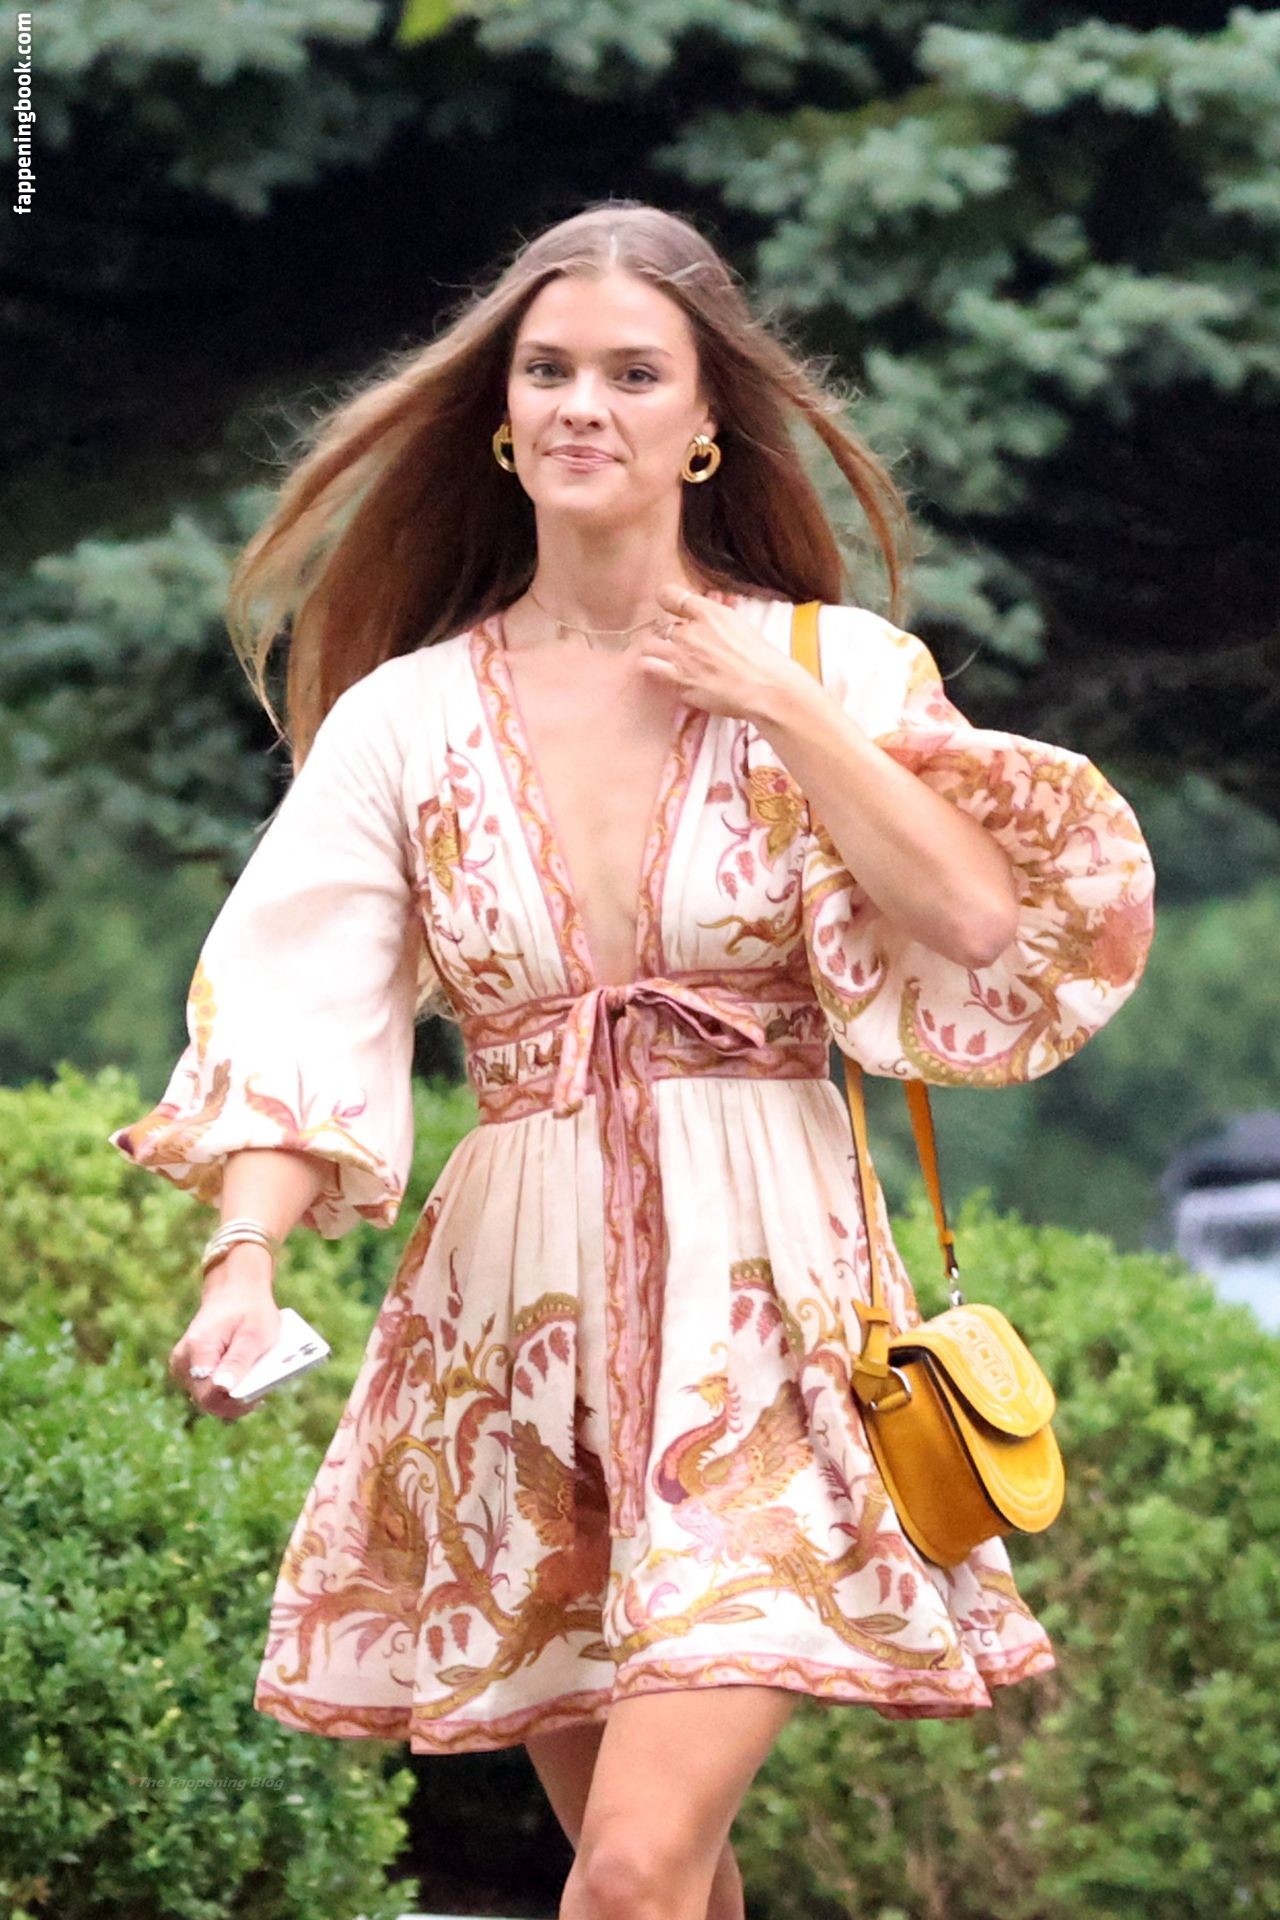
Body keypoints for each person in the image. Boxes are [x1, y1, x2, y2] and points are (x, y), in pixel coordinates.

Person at [109, 200, 1156, 1920]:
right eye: (549, 372)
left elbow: (977, 917)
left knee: (630, 1875)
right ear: (503, 421)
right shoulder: (406, 717)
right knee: (670, 1881)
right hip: (515, 1339)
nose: (584, 404)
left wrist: (779, 702)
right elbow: (304, 1007)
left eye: (633, 373)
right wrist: (243, 1260)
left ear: (705, 423)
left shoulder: (832, 665)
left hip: (767, 1318)